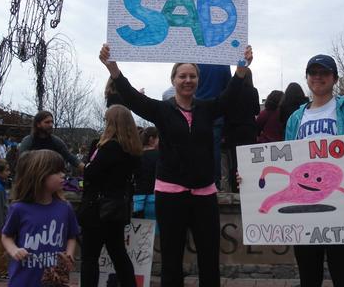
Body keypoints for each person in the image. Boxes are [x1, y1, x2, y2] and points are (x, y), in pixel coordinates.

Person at [99, 43, 252, 287]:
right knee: (171, 259)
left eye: (192, 76)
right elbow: (133, 98)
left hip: (204, 194)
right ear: (173, 80)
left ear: (198, 81)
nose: (188, 80)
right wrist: (113, 69)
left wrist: (242, 69)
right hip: (170, 195)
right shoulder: (161, 110)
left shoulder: (208, 109)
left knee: (209, 258)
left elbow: (230, 96)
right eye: (182, 76)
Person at [285, 54, 344, 287]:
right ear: (307, 78)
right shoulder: (295, 118)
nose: (318, 77)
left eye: (324, 73)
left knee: (342, 273)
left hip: (342, 206)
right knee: (308, 274)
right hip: (306, 207)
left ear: (334, 78)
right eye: (313, 73)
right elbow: (285, 160)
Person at [79, 105, 142, 287]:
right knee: (119, 254)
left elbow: (92, 173)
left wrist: (86, 166)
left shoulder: (109, 147)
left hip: (98, 209)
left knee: (90, 257)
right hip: (117, 209)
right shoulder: (132, 150)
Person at [1, 150, 79, 286]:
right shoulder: (19, 208)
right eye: (57, 172)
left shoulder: (65, 208)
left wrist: (69, 254)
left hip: (55, 279)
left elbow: (72, 236)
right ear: (39, 175)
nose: (63, 175)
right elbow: (6, 236)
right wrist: (14, 250)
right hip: (24, 279)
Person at [196, 64, 232, 189]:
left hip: (198, 109)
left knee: (198, 146)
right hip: (217, 110)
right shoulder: (223, 63)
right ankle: (215, 182)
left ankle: (199, 179)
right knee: (214, 149)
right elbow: (229, 87)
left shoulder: (197, 62)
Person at [223, 67, 260, 192]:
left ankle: (235, 188)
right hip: (248, 129)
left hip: (233, 130)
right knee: (249, 161)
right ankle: (250, 188)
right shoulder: (253, 91)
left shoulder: (231, 91)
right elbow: (257, 110)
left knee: (234, 161)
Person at [19, 111, 84, 172]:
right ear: (38, 124)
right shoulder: (28, 141)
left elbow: (70, 158)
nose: (51, 125)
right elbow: (22, 162)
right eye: (47, 122)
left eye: (52, 122)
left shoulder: (56, 141)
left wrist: (87, 169)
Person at [133, 126, 160, 219]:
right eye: (158, 138)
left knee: (137, 230)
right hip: (153, 196)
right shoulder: (158, 155)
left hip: (136, 197)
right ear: (152, 139)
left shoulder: (135, 155)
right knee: (153, 230)